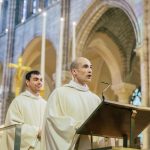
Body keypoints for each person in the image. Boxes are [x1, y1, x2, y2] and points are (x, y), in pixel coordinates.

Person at [41, 57, 102, 150]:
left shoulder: (96, 99)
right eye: (85, 67)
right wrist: (78, 126)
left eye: (91, 67)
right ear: (74, 72)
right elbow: (52, 121)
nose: (90, 70)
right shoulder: (59, 93)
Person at [2, 70, 47, 150]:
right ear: (27, 82)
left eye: (41, 80)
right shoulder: (19, 101)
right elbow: (12, 127)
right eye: (36, 79)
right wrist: (36, 131)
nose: (39, 82)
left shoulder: (45, 104)